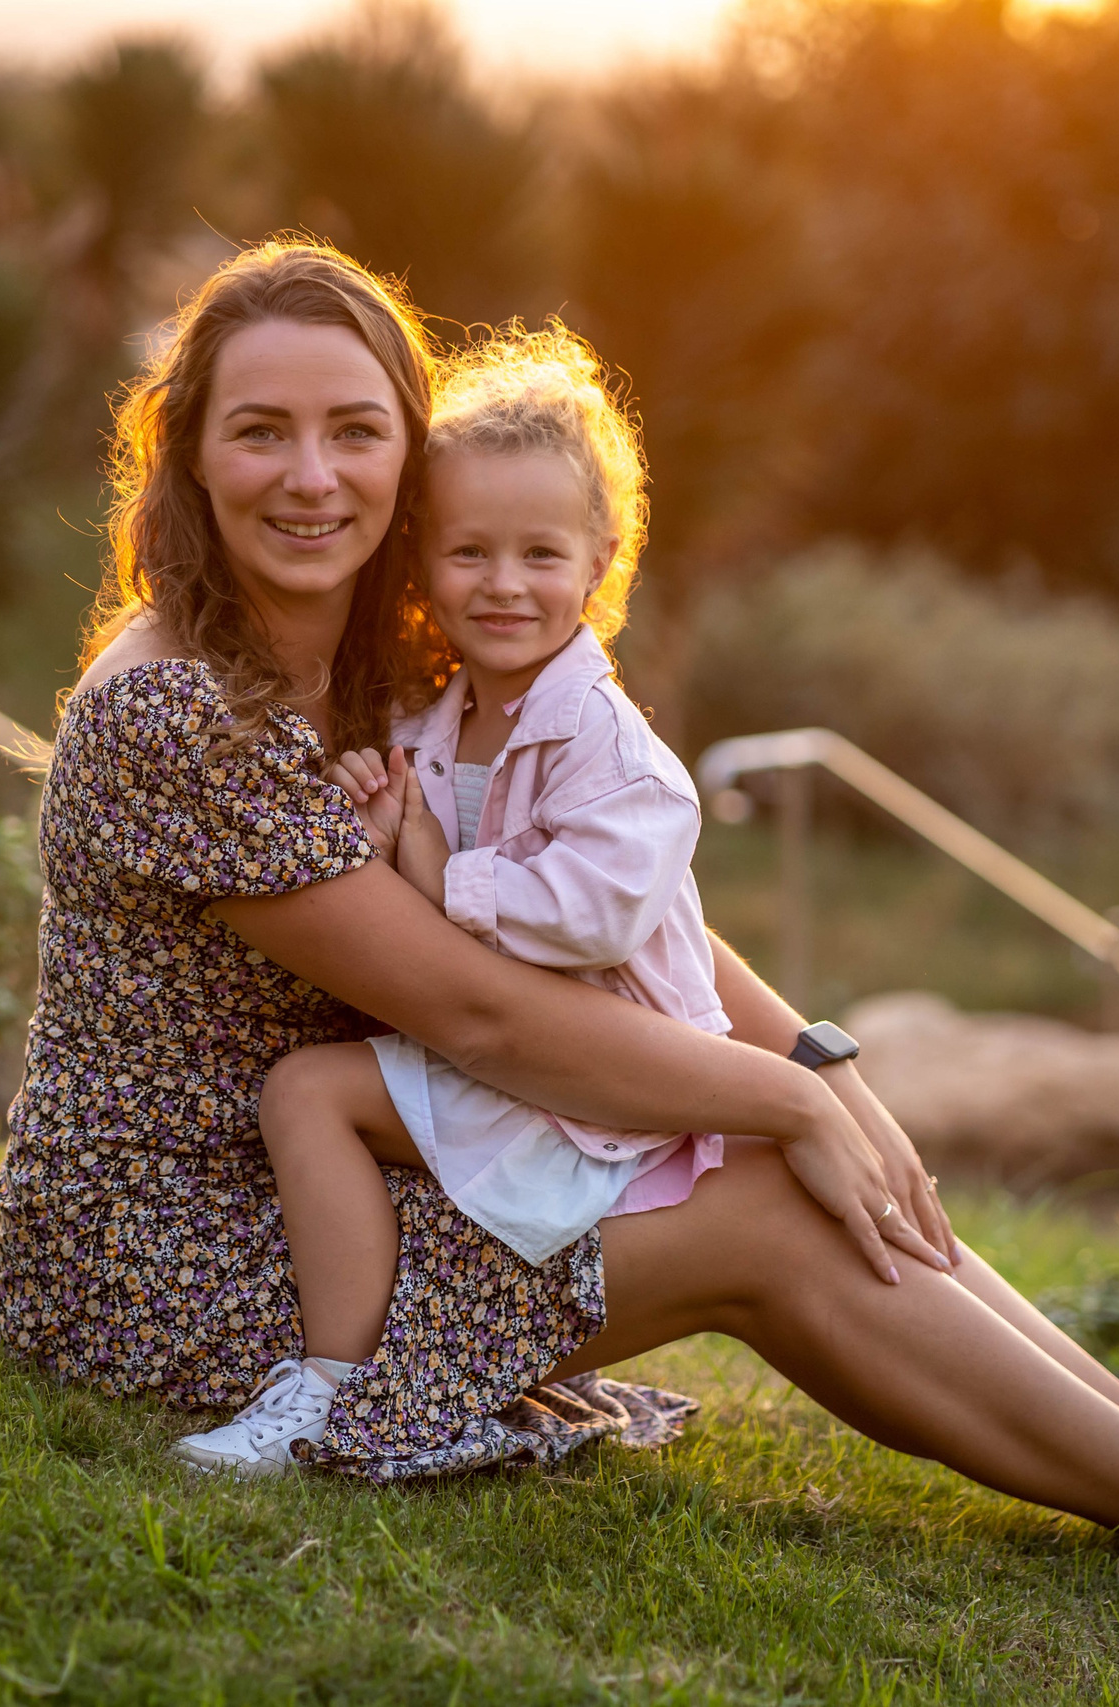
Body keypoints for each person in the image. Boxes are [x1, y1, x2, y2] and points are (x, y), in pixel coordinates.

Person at [0, 238, 1119, 1640]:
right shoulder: (174, 708)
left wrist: (821, 1063)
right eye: (260, 431)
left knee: (836, 1175)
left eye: (356, 430)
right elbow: (483, 1013)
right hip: (173, 1251)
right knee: (765, 1203)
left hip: (353, 1173)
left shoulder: (388, 657)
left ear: (408, 454)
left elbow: (635, 912)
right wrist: (782, 1100)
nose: (312, 475)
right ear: (186, 451)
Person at [174, 325, 809, 1473]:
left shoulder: (615, 751)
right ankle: (341, 1380)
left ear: (602, 557)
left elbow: (594, 914)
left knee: (308, 1092)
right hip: (510, 1052)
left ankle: (329, 1392)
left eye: (539, 555)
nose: (504, 585)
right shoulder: (433, 717)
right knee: (305, 1093)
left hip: (600, 1069)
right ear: (420, 559)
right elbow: (403, 863)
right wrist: (376, 823)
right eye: (469, 553)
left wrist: (434, 871)